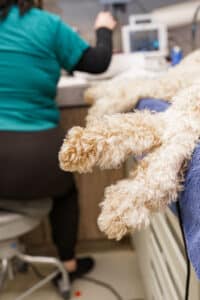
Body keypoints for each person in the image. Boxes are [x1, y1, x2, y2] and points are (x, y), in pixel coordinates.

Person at [0, 0, 116, 280]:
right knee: (64, 192)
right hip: (38, 157)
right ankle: (69, 264)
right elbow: (97, 63)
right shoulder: (45, 24)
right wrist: (103, 29)